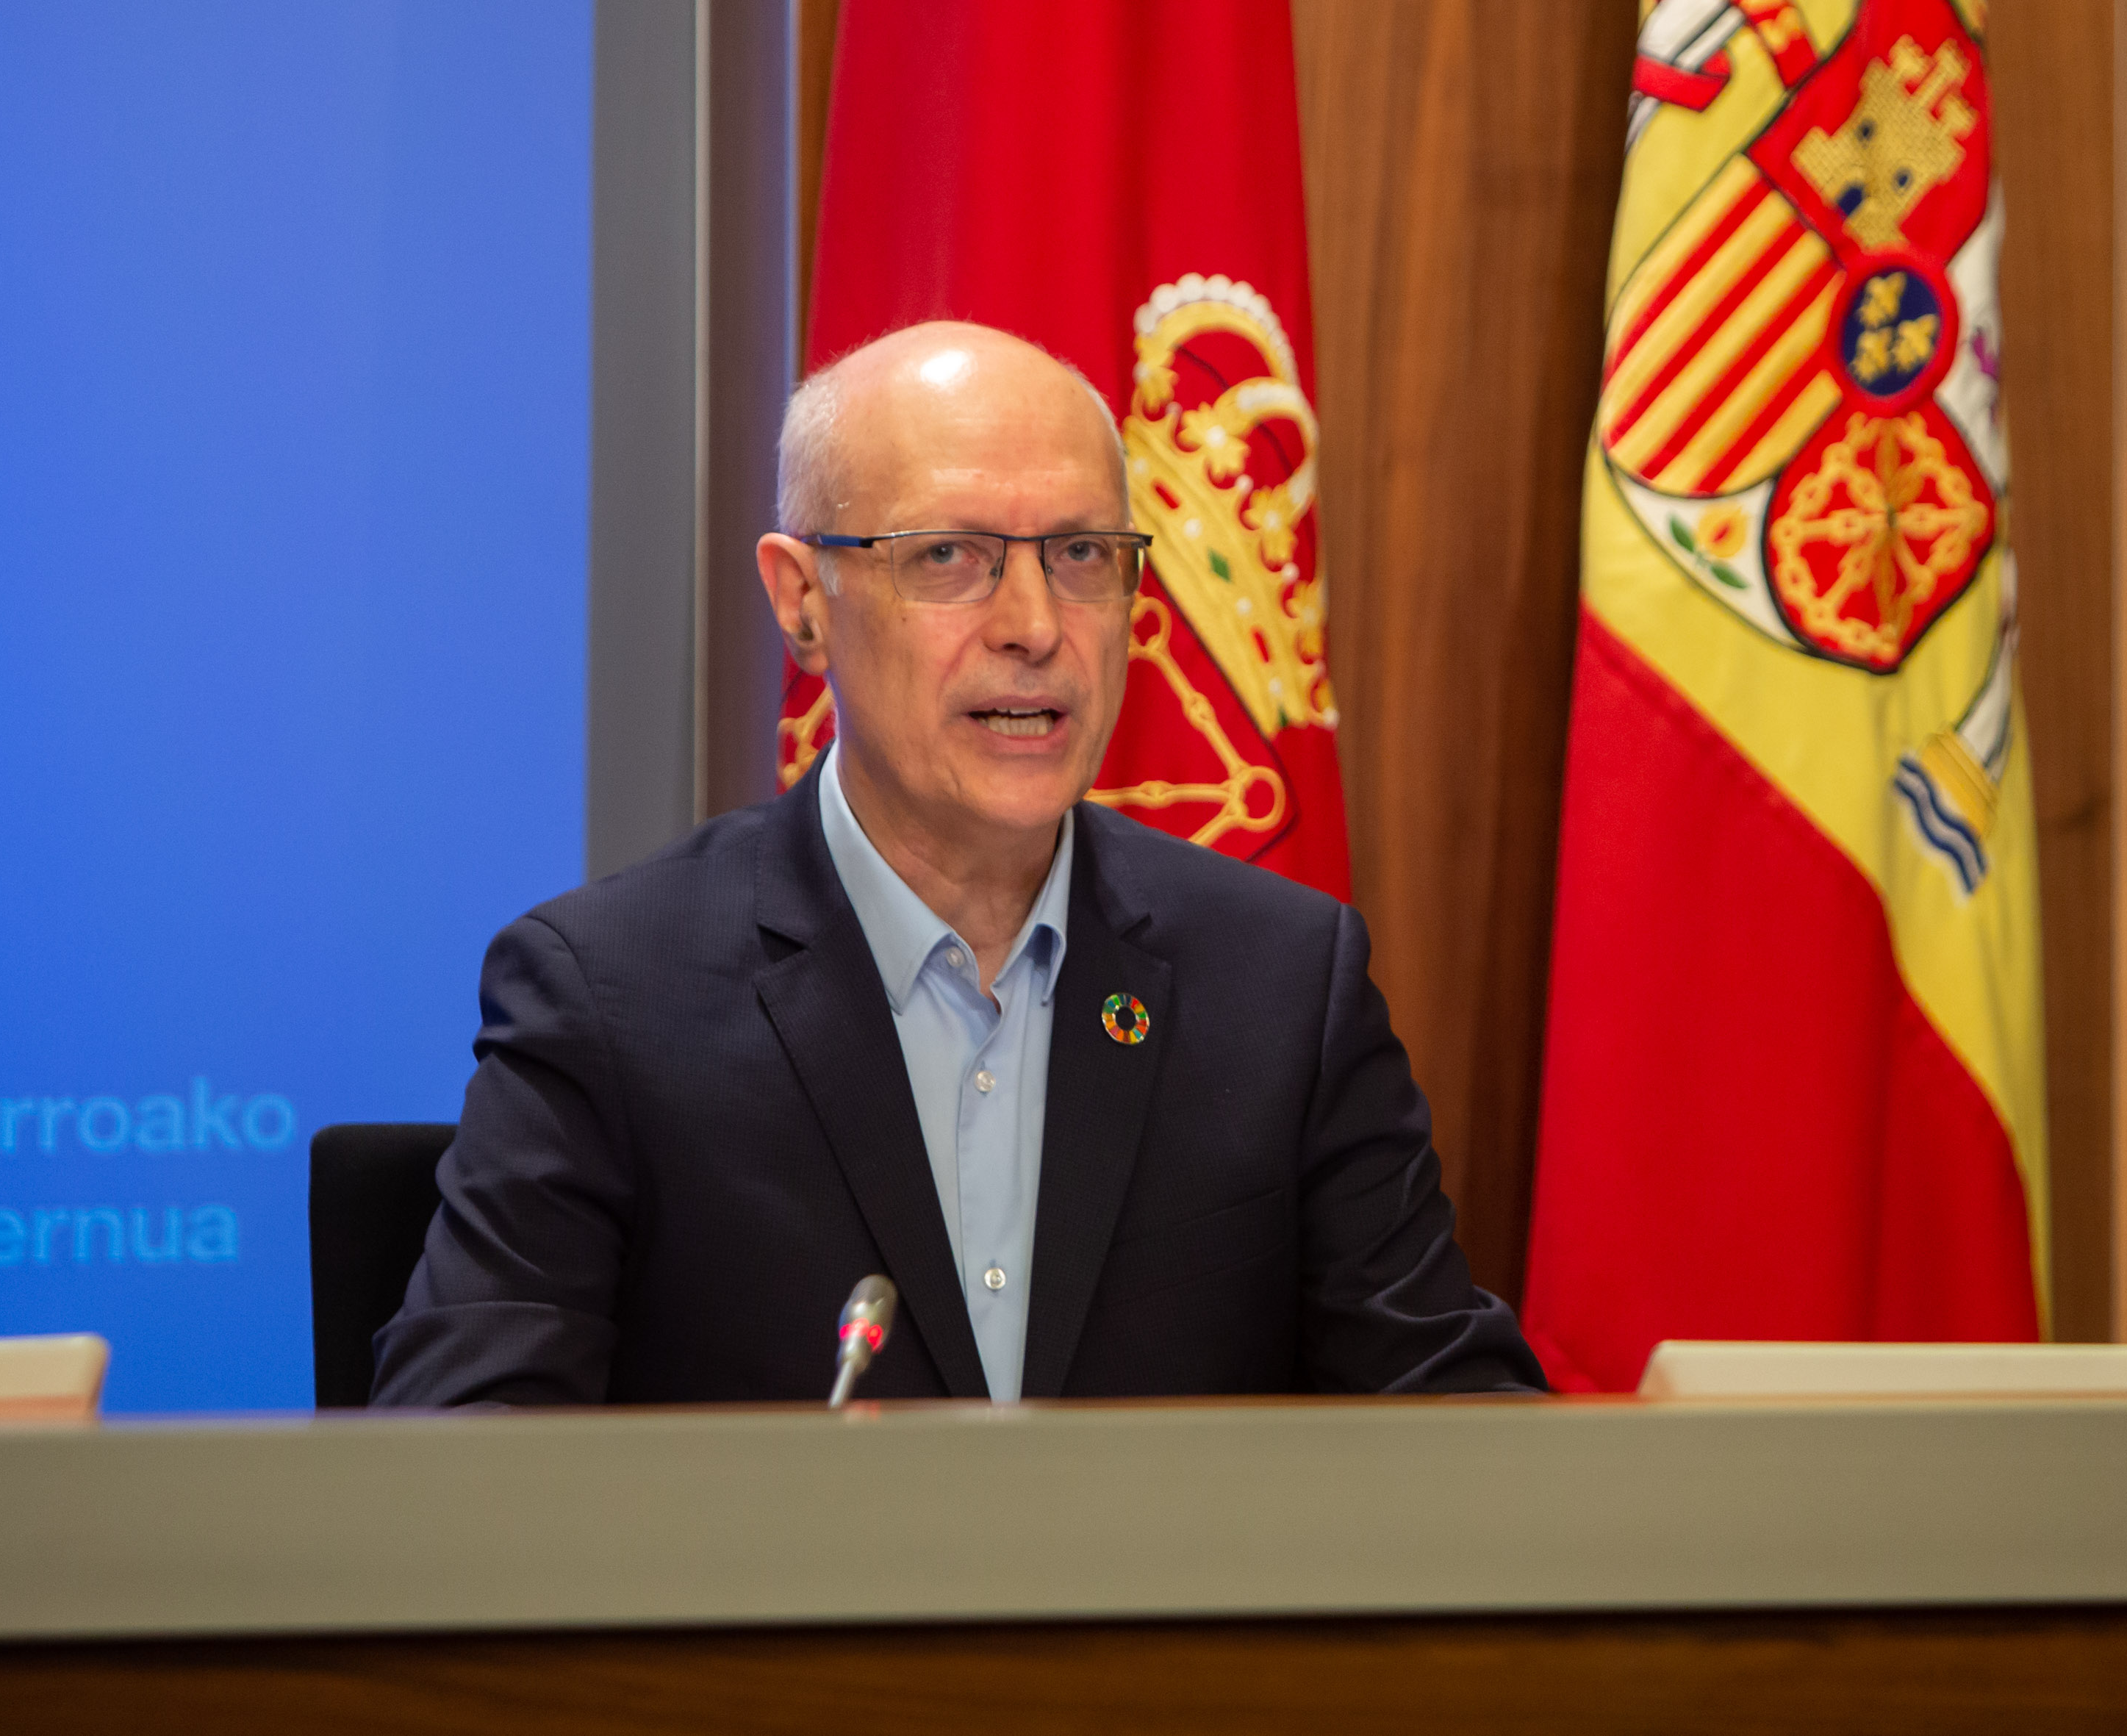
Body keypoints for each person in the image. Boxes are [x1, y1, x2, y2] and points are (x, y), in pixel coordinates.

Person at [369, 322, 1543, 1405]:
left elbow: (1459, 1432)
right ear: (803, 601)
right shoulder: (609, 997)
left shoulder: (1281, 983)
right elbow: (465, 1452)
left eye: (1081, 552)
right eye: (949, 555)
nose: (1035, 623)